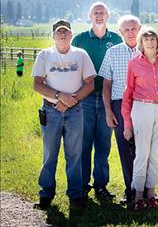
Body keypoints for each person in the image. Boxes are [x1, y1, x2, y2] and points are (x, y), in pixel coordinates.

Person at [32, 19, 96, 210]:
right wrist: (60, 97)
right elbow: (37, 84)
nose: (62, 34)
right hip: (51, 111)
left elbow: (90, 83)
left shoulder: (81, 55)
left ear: (71, 35)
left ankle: (76, 195)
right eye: (59, 32)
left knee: (74, 154)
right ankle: (46, 194)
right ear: (53, 36)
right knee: (50, 154)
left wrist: (71, 101)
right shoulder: (45, 55)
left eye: (66, 32)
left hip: (75, 111)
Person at [121, 26, 158, 211]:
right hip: (141, 107)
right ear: (141, 43)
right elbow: (128, 92)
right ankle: (138, 195)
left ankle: (151, 195)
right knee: (142, 153)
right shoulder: (134, 63)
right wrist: (127, 124)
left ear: (157, 41)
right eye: (146, 40)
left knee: (155, 153)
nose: (150, 42)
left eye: (153, 39)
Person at [72, 1, 122, 200]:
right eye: (95, 13)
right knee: (83, 145)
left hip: (107, 100)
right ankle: (82, 186)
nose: (99, 15)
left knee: (103, 145)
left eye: (102, 13)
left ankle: (101, 186)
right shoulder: (80, 39)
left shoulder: (117, 38)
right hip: (84, 99)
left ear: (108, 16)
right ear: (89, 16)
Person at [98, 15, 141, 205]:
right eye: (127, 30)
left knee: (143, 148)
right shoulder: (113, 53)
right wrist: (108, 110)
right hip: (118, 103)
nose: (131, 33)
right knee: (125, 147)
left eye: (134, 29)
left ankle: (145, 190)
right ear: (120, 32)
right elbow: (106, 84)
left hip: (144, 104)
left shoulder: (147, 50)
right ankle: (130, 188)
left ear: (139, 29)